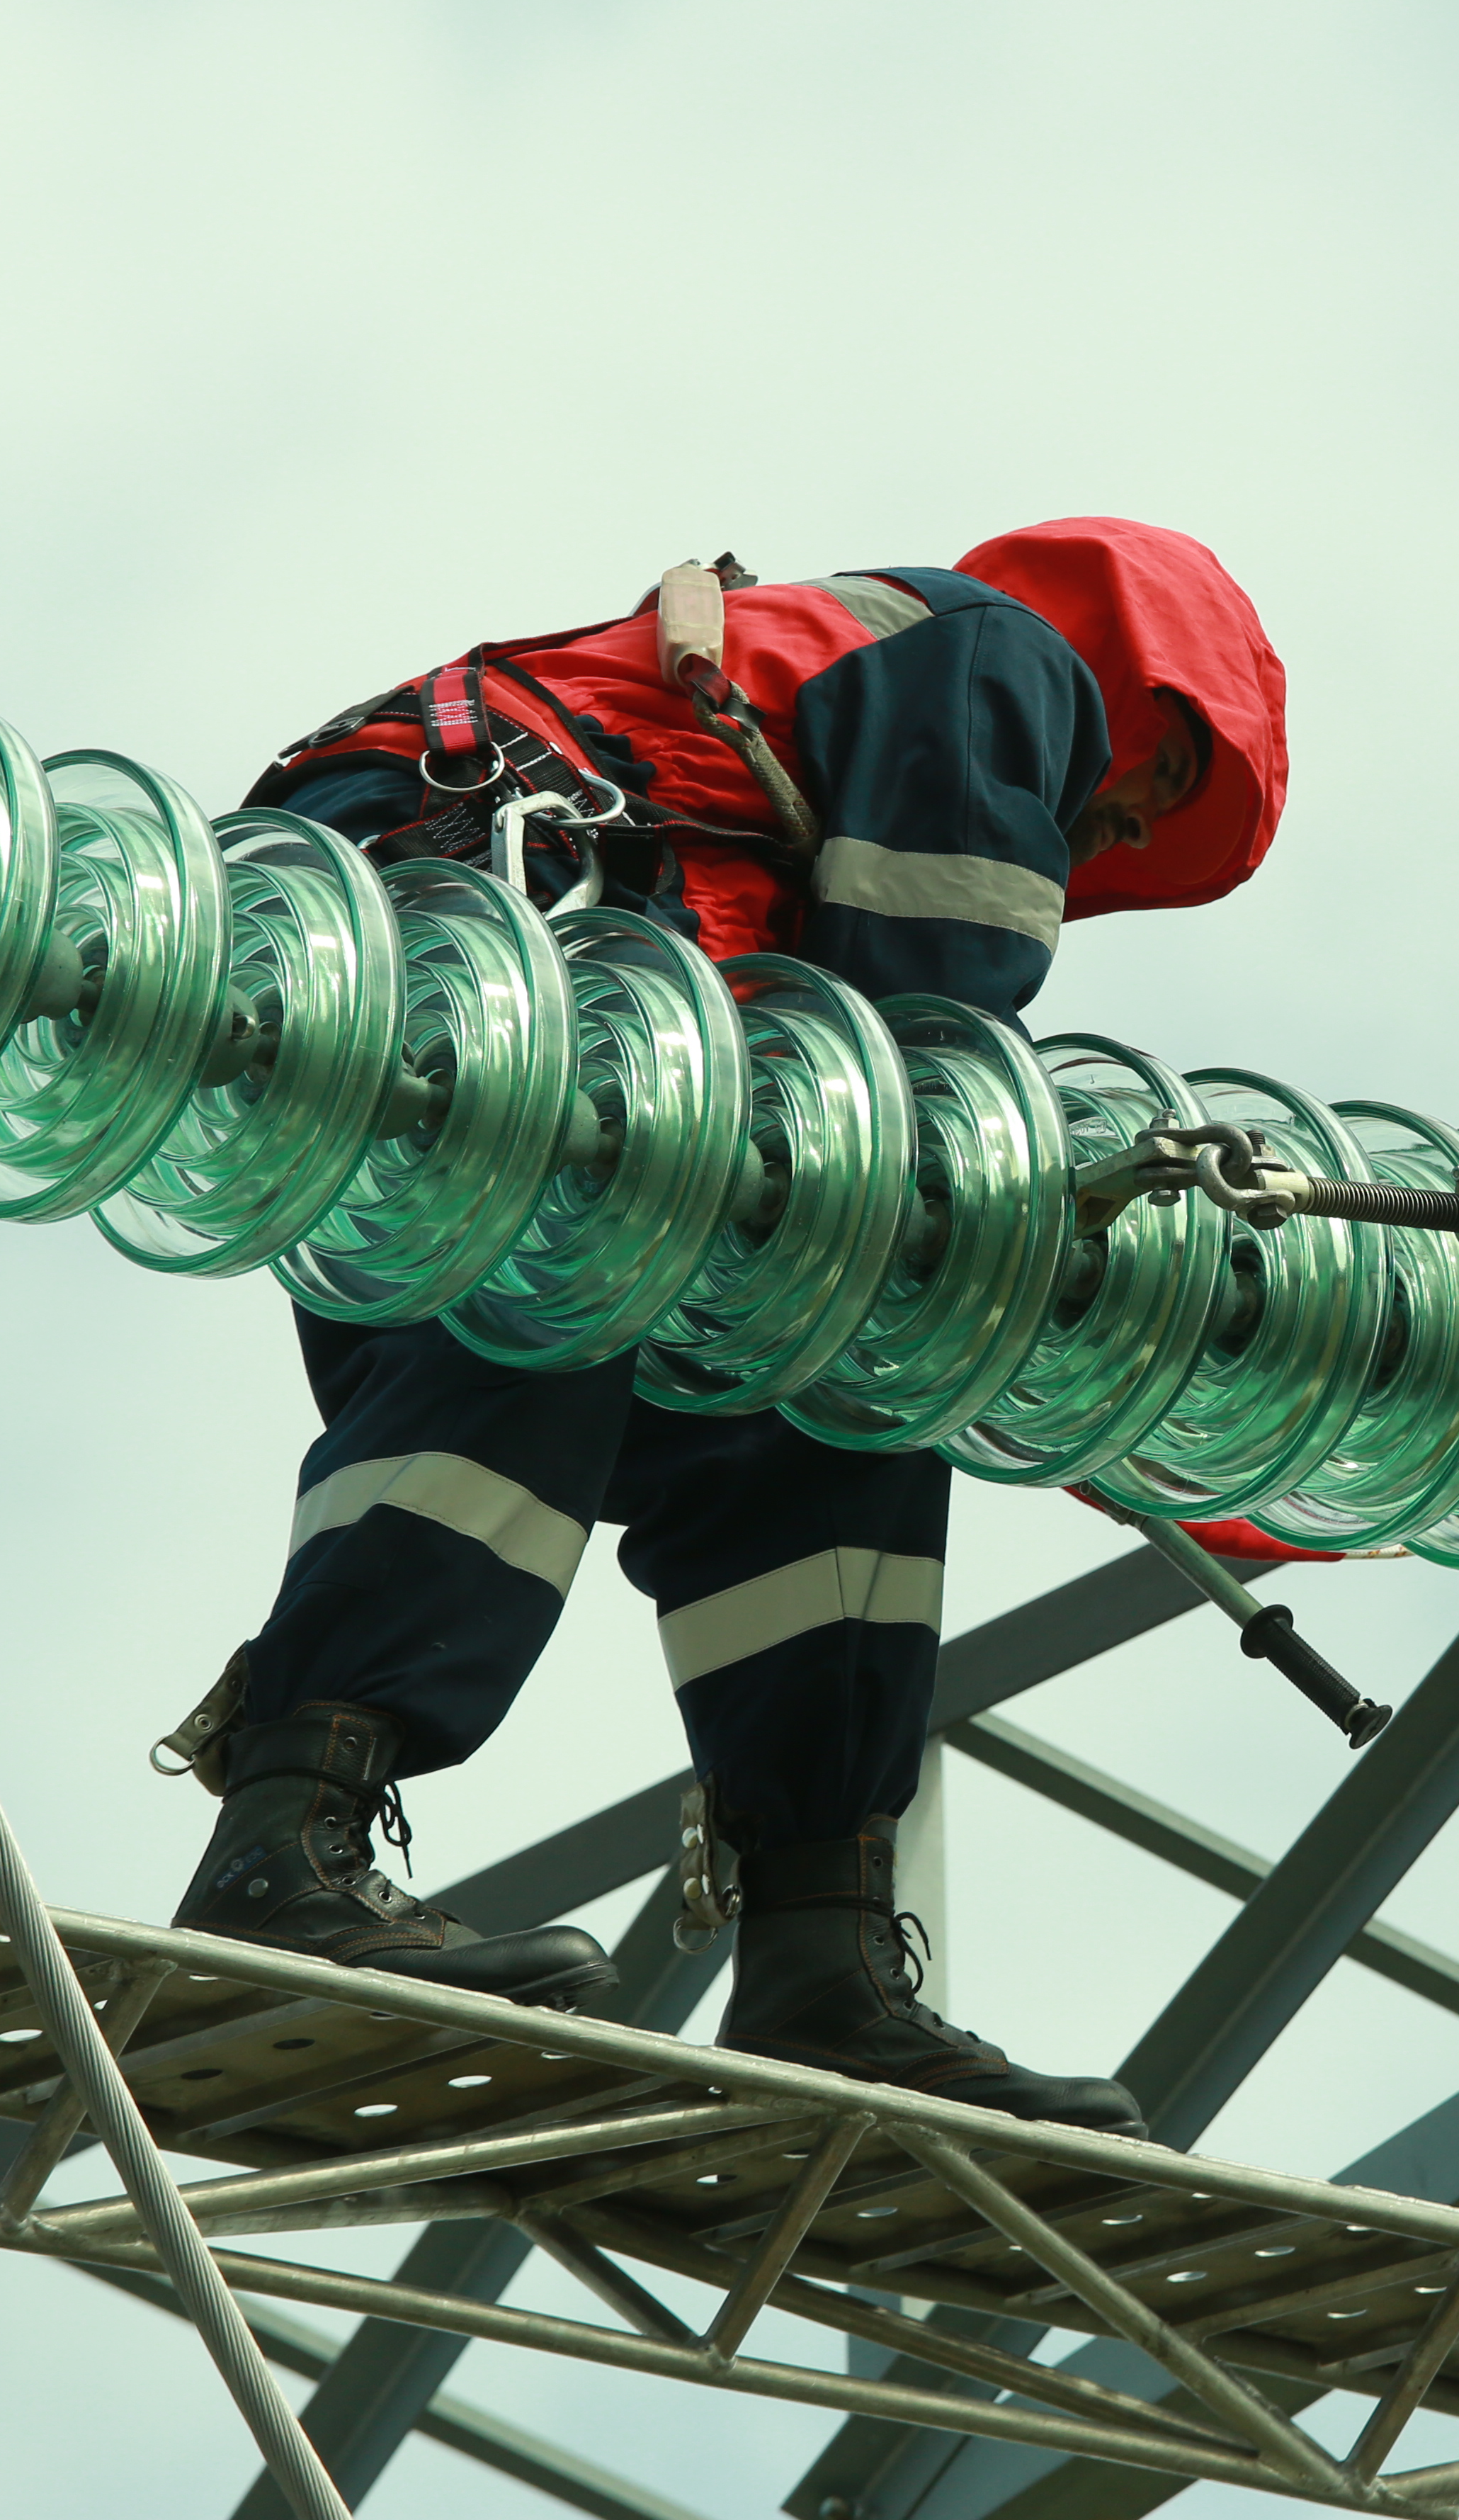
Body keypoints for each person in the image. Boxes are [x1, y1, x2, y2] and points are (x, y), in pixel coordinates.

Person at [160, 520, 1287, 2128]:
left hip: (451, 966)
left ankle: (821, 1959)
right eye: (1164, 781)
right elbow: (932, 1015)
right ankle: (285, 1843)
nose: (1117, 821)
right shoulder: (998, 656)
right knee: (573, 1279)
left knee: (829, 1401)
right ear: (1135, 677)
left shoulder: (841, 679)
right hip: (471, 919)